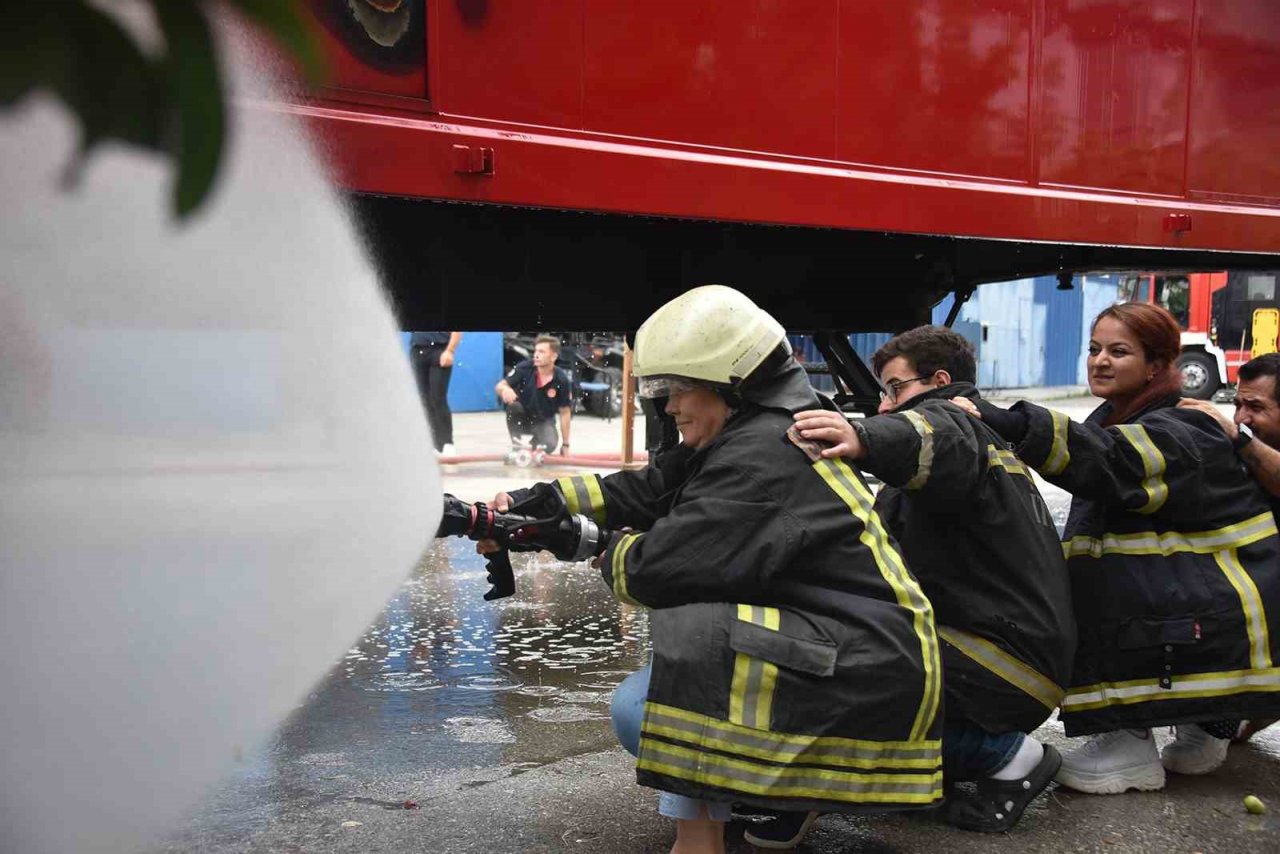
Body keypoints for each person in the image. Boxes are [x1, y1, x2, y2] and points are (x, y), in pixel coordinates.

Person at [489, 286, 945, 854]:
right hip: (862, 654)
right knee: (690, 639)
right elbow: (654, 487)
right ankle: (753, 802)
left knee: (664, 671)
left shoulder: (759, 460)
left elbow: (659, 570)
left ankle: (705, 837)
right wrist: (546, 499)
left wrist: (585, 541)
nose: (669, 407)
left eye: (678, 390)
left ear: (729, 384)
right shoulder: (756, 431)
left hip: (863, 673)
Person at [952, 303, 1280, 795]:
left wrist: (1013, 423)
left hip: (1210, 622)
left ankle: (1128, 742)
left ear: (1156, 365)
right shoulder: (1124, 418)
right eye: (1094, 349)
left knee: (1099, 581)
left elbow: (1111, 461)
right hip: (1215, 622)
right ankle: (1205, 722)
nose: (1100, 361)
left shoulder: (1185, 426)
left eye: (1119, 351)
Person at [765, 326, 1073, 839]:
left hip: (1000, 663)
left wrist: (862, 436)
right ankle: (938, 770)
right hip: (1005, 656)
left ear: (941, 382)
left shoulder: (956, 423)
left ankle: (1008, 758)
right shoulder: (971, 459)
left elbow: (932, 435)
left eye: (894, 389)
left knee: (836, 666)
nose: (886, 406)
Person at [1179, 351, 1280, 742]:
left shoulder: (1246, 444)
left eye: (1255, 406)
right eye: (1237, 404)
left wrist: (1239, 439)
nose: (1241, 417)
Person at [495, 334, 572, 456]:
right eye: (536, 350)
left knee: (549, 444)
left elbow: (565, 412)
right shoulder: (525, 368)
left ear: (553, 357)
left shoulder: (561, 379)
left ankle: (532, 449)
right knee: (514, 407)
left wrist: (566, 444)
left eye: (541, 352)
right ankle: (518, 446)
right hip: (523, 417)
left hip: (544, 421)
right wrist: (505, 389)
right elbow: (500, 385)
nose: (536, 355)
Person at [409, 330, 462, 455]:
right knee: (425, 400)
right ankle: (435, 444)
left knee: (438, 398)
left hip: (439, 351)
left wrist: (450, 351)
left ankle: (447, 442)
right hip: (418, 351)